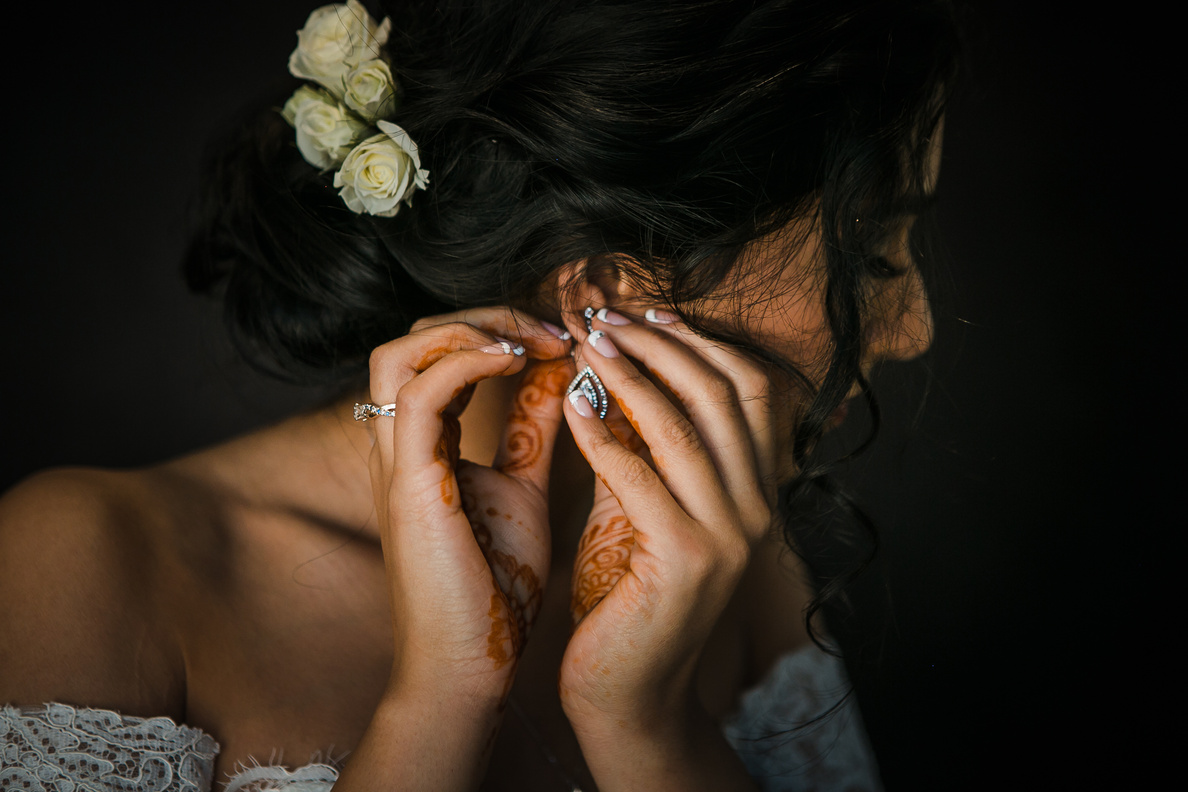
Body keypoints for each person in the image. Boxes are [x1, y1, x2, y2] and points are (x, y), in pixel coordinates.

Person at [0, 0, 957, 789]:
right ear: (602, 292)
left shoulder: (734, 570)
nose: (912, 329)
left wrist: (648, 723)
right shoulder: (82, 573)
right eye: (875, 258)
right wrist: (442, 697)